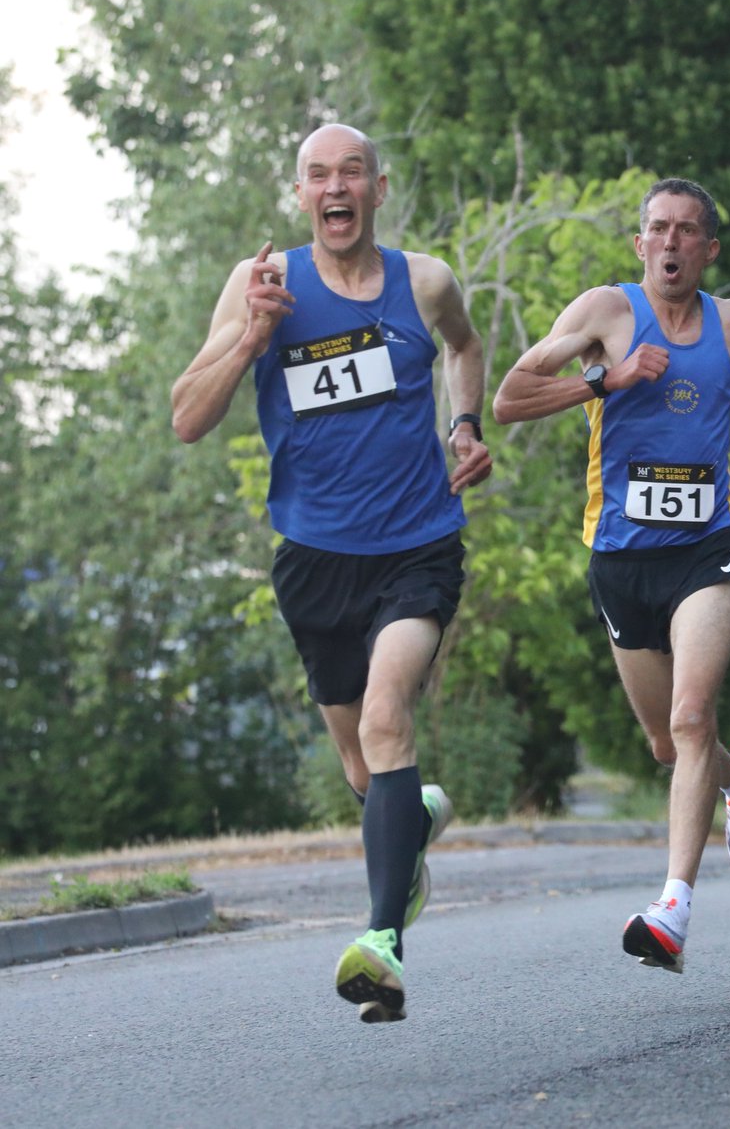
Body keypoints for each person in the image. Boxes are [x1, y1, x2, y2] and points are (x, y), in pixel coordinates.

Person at [171, 123, 493, 1023]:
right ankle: (410, 822)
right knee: (363, 763)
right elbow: (188, 419)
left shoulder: (423, 282)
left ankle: (383, 942)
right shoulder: (260, 285)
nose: (336, 187)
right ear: (302, 194)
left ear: (378, 189)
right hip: (314, 558)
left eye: (351, 171)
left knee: (390, 714)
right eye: (319, 174)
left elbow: (465, 349)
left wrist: (464, 426)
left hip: (418, 546)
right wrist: (251, 339)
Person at [492, 177, 730, 974]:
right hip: (622, 556)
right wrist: (607, 379)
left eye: (687, 231)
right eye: (657, 229)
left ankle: (673, 907)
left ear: (709, 250)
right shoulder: (602, 312)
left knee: (694, 718)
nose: (670, 243)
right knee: (668, 744)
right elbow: (510, 399)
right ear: (640, 245)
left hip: (707, 550)